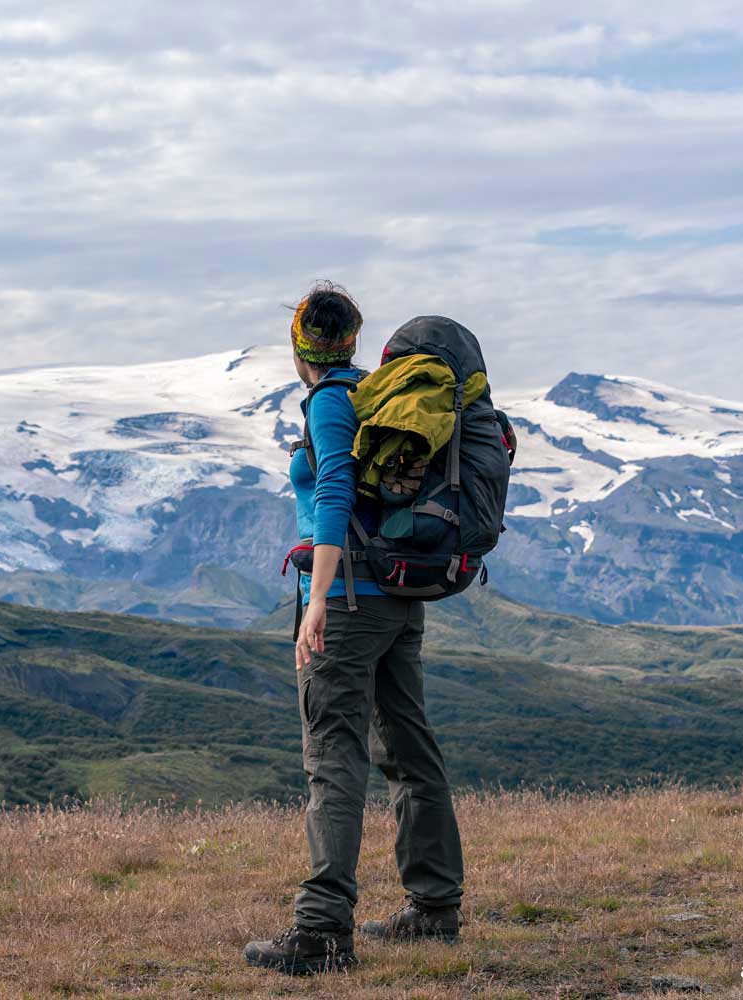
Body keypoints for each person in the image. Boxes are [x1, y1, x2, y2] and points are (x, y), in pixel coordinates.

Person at [243, 282, 466, 976]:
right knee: (407, 745)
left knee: (334, 756)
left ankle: (321, 931)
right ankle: (433, 909)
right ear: (352, 341)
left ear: (298, 346)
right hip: (397, 598)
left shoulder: (332, 404)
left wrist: (318, 599)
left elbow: (335, 488)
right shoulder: (375, 396)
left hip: (345, 601)